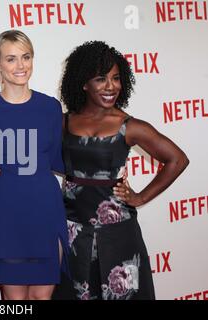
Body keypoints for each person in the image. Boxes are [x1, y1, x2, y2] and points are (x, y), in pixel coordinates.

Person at [58, 41, 189, 300]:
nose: (111, 86)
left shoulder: (129, 126)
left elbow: (177, 159)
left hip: (118, 231)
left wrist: (139, 197)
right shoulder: (64, 121)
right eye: (101, 78)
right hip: (73, 230)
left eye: (116, 78)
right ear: (83, 83)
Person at [0, 30, 69, 300]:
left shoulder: (50, 107)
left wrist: (107, 163)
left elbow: (61, 160)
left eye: (26, 57)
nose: (21, 66)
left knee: (42, 296)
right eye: (11, 59)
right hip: (6, 212)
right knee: (14, 300)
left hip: (45, 208)